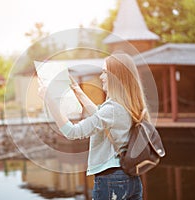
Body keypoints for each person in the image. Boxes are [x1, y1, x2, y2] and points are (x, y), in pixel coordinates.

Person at [38, 53, 150, 200]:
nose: (101, 77)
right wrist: (78, 91)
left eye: (104, 72)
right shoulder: (128, 104)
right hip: (131, 179)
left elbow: (72, 132)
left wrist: (50, 100)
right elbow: (101, 117)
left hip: (111, 180)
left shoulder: (113, 109)